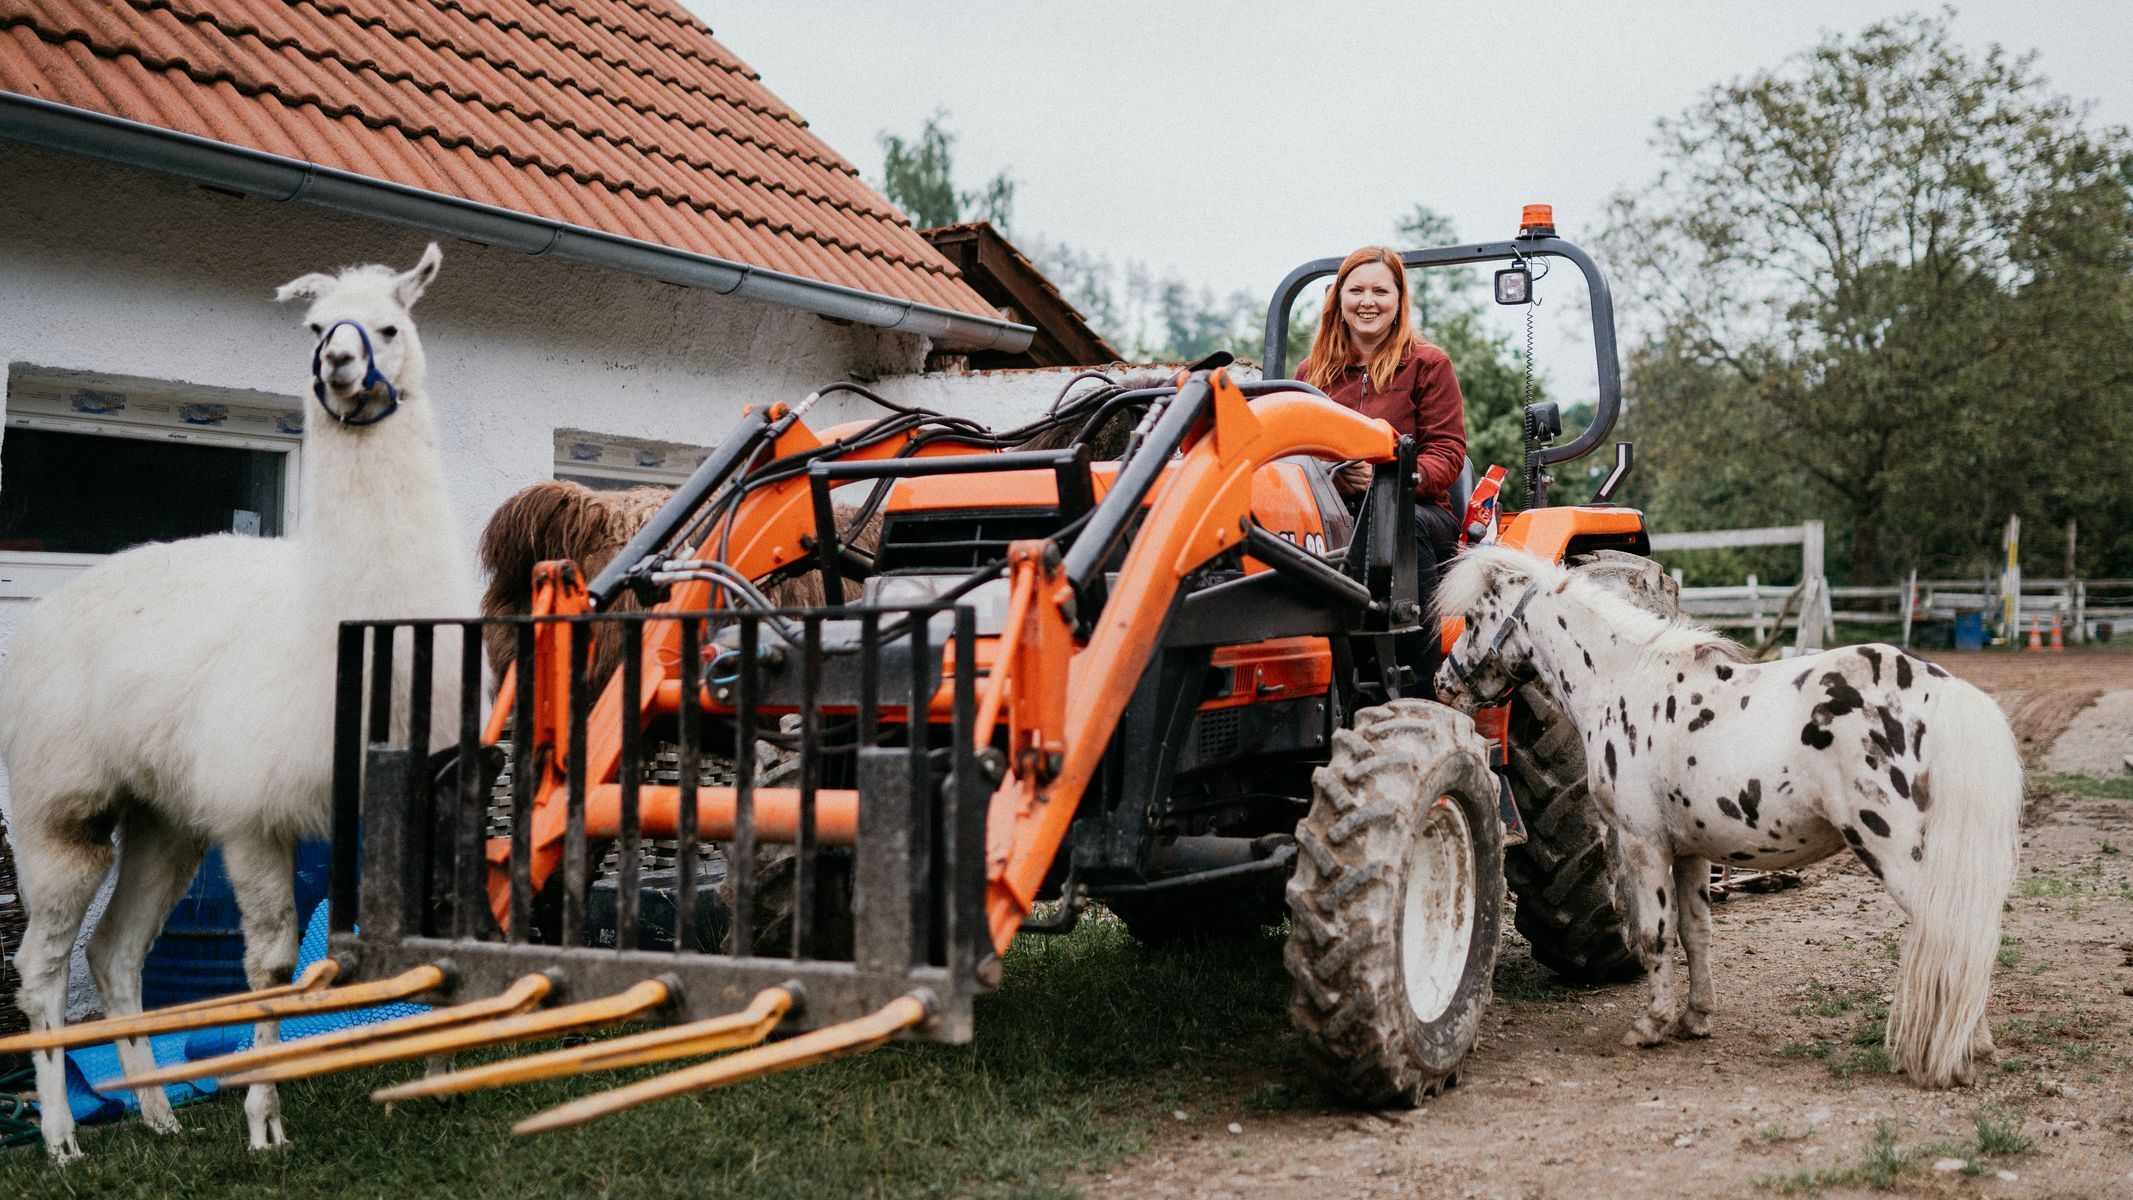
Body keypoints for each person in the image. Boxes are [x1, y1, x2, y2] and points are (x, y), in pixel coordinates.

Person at [1295, 245, 1468, 566]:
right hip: (1331, 510)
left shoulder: (1428, 364)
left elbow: (1446, 453)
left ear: (1399, 302)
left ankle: (1415, 617)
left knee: (1392, 523)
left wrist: (1387, 477)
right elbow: (1295, 451)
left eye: (1380, 291)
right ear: (1339, 299)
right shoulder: (1311, 373)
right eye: (1356, 290)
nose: (1367, 301)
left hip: (1415, 510)